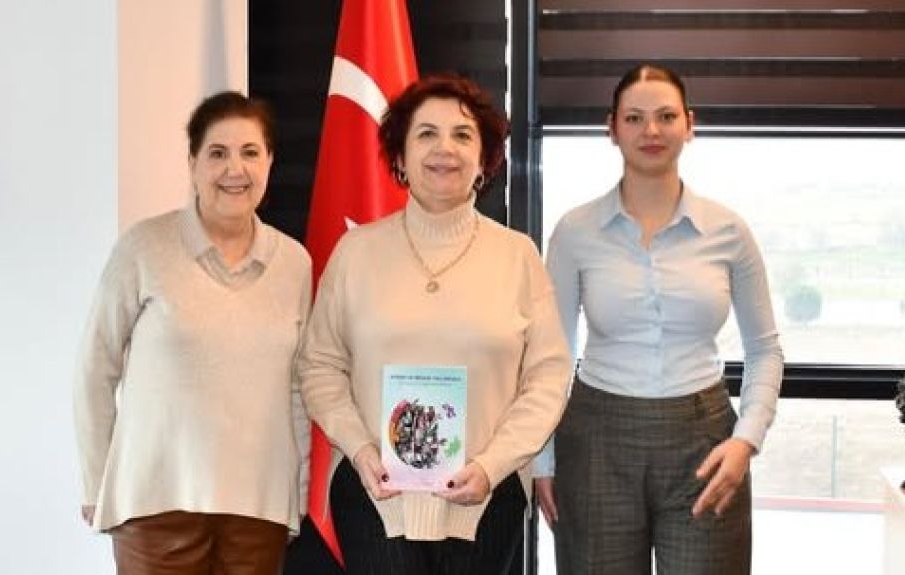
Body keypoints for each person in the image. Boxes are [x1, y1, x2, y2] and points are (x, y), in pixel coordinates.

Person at [298, 73, 572, 574]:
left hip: (487, 497)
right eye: (426, 133)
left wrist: (492, 465)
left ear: (484, 160)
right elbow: (319, 366)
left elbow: (548, 377)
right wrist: (359, 449)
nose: (445, 148)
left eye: (462, 135)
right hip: (374, 493)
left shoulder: (517, 256)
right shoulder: (356, 252)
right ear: (400, 158)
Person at [533, 64, 784, 575]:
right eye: (634, 118)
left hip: (706, 443)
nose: (651, 130)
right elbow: (551, 354)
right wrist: (542, 459)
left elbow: (765, 350)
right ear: (612, 128)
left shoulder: (728, 231)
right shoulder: (575, 231)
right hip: (596, 440)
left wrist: (746, 440)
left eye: (666, 116)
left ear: (690, 125)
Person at [73, 91, 311, 574]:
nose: (234, 169)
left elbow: (297, 389)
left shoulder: (295, 263)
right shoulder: (144, 247)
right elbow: (94, 369)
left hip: (258, 511)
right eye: (217, 153)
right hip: (155, 506)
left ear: (269, 162)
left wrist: (299, 491)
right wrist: (97, 482)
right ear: (193, 164)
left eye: (250, 152)